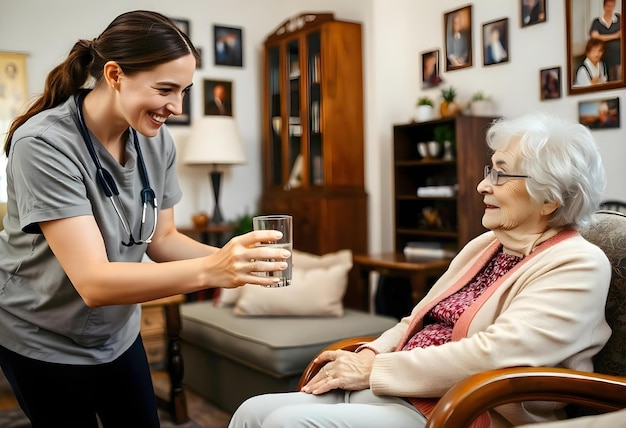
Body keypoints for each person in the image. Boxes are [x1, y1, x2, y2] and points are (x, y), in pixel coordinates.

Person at [0, 10, 289, 428]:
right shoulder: (43, 144)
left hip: (116, 334)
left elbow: (163, 238)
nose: (176, 107)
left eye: (185, 90)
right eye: (166, 89)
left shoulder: (156, 141)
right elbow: (95, 283)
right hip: (39, 336)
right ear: (115, 75)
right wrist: (213, 269)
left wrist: (237, 260)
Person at [229, 112, 611, 428]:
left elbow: (493, 355)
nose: (481, 185)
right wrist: (368, 354)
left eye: (500, 174)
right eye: (488, 170)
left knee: (285, 423)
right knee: (251, 411)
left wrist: (374, 370)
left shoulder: (577, 264)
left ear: (549, 198)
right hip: (403, 389)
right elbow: (416, 319)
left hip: (463, 409)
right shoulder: (488, 244)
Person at [589, 0, 621, 82]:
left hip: (619, 57)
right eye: (608, 6)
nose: (610, 9)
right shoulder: (597, 21)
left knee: (619, 80)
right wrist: (615, 35)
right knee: (608, 80)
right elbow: (594, 36)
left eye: (612, 6)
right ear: (604, 7)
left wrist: (602, 36)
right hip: (604, 58)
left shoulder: (619, 19)